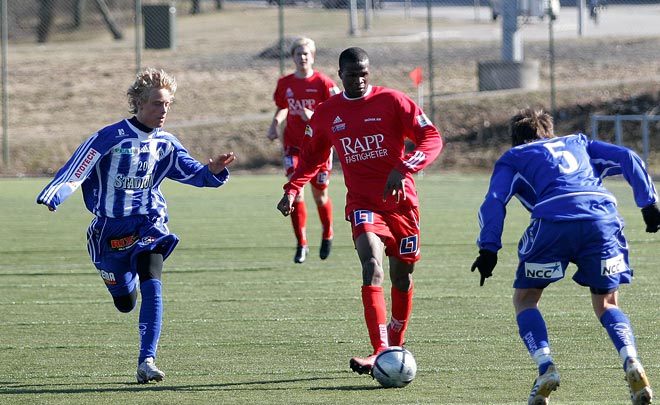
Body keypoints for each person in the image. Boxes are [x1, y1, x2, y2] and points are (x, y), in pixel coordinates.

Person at [36, 68, 236, 384]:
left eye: (168, 104)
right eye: (157, 103)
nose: (164, 111)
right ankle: (119, 284)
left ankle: (147, 360)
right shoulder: (110, 138)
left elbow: (194, 175)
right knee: (125, 302)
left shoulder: (167, 143)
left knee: (152, 280)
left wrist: (211, 170)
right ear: (139, 103)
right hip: (110, 232)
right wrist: (54, 195)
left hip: (149, 224)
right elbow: (77, 169)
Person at [470, 108, 660, 405]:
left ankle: (546, 365)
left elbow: (495, 200)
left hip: (554, 222)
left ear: (516, 139)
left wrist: (488, 249)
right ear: (549, 131)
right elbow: (627, 156)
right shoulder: (579, 142)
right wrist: (648, 202)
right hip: (602, 220)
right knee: (607, 303)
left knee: (526, 299)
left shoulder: (515, 156)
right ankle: (631, 358)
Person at [276, 47, 443, 375]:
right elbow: (311, 157)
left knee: (402, 277)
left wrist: (404, 166)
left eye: (364, 73)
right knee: (371, 265)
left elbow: (431, 137)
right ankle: (380, 349)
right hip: (363, 204)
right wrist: (293, 189)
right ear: (340, 75)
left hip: (403, 205)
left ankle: (395, 339)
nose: (359, 80)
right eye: (352, 74)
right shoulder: (327, 113)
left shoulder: (393, 101)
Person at [268, 37, 340, 263]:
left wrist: (315, 117)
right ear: (293, 57)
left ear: (313, 56)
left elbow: (338, 110)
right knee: (294, 194)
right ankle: (301, 243)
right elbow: (283, 106)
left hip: (319, 148)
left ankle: (327, 233)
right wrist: (275, 123)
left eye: (306, 54)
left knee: (320, 196)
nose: (302, 58)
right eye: (298, 54)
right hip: (294, 146)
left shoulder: (324, 83)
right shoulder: (285, 83)